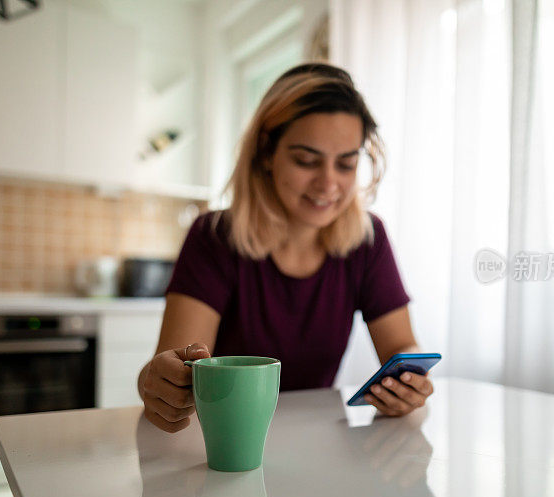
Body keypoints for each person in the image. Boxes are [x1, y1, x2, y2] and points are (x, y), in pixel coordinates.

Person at [137, 63, 433, 434]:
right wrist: (161, 385)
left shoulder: (368, 239)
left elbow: (402, 347)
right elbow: (167, 369)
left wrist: (408, 383)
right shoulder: (212, 236)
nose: (329, 184)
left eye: (346, 163)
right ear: (265, 154)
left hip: (318, 443)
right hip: (224, 441)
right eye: (306, 160)